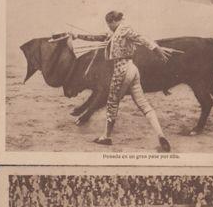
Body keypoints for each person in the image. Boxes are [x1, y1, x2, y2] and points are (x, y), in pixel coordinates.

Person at [71, 10, 172, 152]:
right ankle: (161, 135)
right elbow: (99, 37)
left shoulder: (123, 29)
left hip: (121, 70)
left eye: (109, 24)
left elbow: (141, 37)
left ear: (113, 21)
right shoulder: (117, 31)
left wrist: (156, 49)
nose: (108, 27)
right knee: (144, 104)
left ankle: (106, 137)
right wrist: (77, 36)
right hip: (132, 69)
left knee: (112, 104)